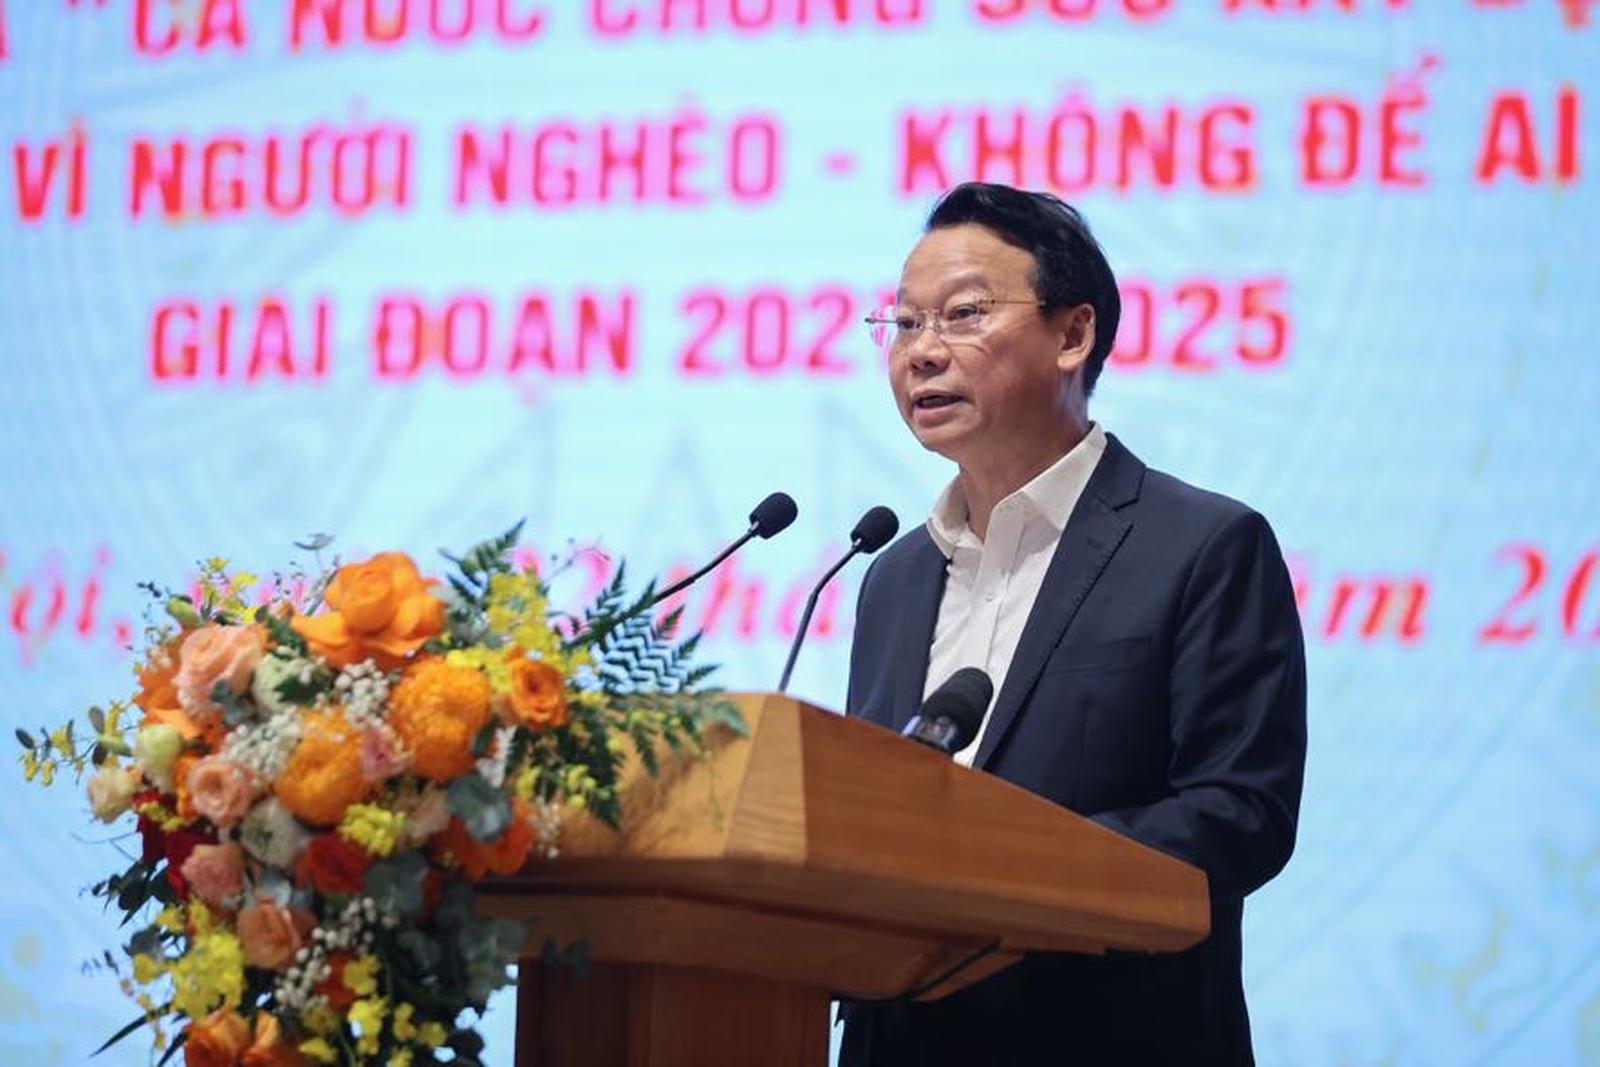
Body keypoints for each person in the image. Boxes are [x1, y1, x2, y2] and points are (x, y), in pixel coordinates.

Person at [842, 182, 1307, 1066]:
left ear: (1073, 335)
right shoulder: (892, 576)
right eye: (903, 324)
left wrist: (987, 874)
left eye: (963, 314)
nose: (922, 351)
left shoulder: (1203, 546)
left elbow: (1240, 814)